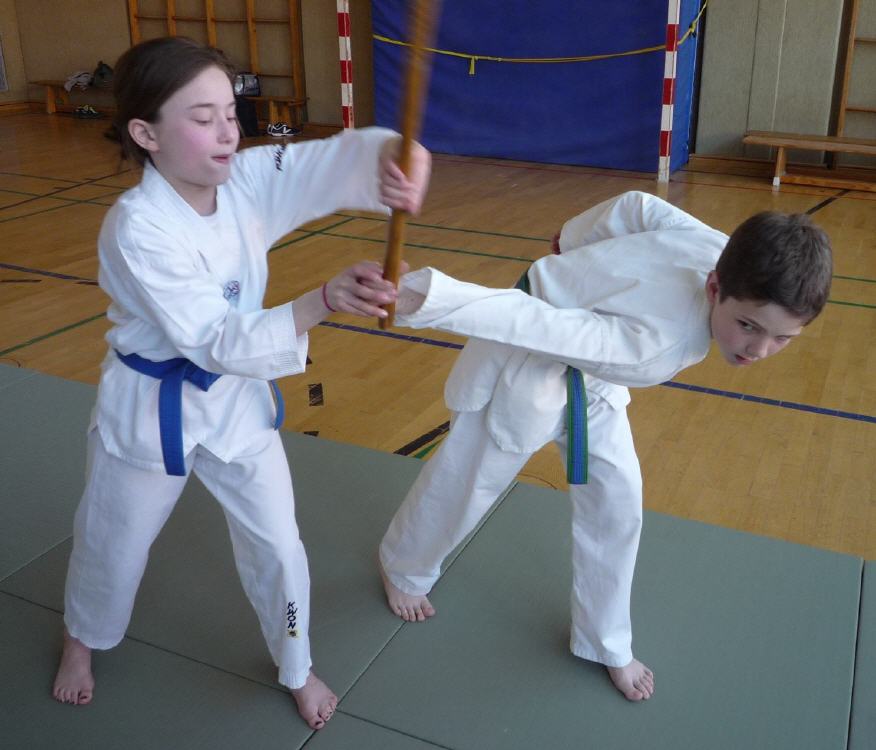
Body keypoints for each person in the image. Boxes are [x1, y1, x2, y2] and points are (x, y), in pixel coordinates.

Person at [51, 36, 430, 731]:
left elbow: (327, 162)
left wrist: (395, 162)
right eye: (203, 118)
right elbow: (213, 339)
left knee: (279, 546)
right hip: (151, 409)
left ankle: (296, 662)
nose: (229, 131)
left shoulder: (244, 183)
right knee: (113, 541)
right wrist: (323, 300)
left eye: (231, 112)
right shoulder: (138, 228)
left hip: (234, 405)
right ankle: (83, 637)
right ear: (146, 134)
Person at [378, 190, 832, 702]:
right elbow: (534, 324)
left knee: (617, 501)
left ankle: (604, 640)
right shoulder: (659, 346)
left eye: (782, 338)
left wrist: (575, 235)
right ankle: (404, 567)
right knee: (471, 476)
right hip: (530, 355)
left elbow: (638, 207)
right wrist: (424, 297)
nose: (759, 349)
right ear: (714, 285)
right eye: (748, 326)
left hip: (594, 366)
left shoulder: (723, 251)